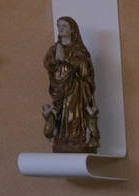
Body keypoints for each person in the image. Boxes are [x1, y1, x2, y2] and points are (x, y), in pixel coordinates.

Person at [42, 16, 99, 153]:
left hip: (76, 89)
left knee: (73, 114)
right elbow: (49, 64)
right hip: (59, 89)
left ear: (72, 29)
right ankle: (60, 138)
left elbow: (85, 70)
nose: (60, 28)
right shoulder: (53, 49)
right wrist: (56, 60)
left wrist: (66, 60)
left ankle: (76, 138)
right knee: (60, 114)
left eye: (64, 26)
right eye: (59, 26)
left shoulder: (79, 50)